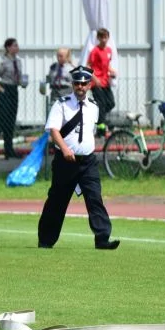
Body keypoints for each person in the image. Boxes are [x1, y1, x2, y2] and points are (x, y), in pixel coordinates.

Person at [37, 66, 120, 250]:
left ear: (89, 85)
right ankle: (46, 240)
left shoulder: (94, 106)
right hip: (66, 161)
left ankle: (102, 238)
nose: (80, 87)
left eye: (84, 83)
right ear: (72, 84)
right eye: (77, 83)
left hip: (88, 161)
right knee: (57, 201)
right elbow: (53, 130)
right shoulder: (61, 104)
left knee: (94, 198)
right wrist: (65, 149)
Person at [0, 38, 26, 161]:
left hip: (14, 90)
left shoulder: (18, 61)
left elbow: (18, 77)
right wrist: (1, 89)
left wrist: (22, 82)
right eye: (14, 45)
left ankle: (8, 151)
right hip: (4, 90)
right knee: (1, 122)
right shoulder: (2, 61)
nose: (17, 47)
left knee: (11, 121)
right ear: (8, 48)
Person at [87, 28, 117, 136]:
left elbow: (106, 65)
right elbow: (89, 66)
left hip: (105, 81)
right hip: (97, 82)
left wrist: (111, 71)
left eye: (105, 37)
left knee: (111, 103)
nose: (104, 39)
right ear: (98, 38)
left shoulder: (109, 50)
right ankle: (101, 128)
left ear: (108, 38)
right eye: (101, 37)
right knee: (101, 104)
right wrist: (94, 78)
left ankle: (99, 118)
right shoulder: (95, 51)